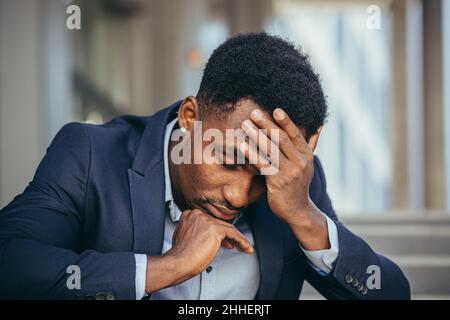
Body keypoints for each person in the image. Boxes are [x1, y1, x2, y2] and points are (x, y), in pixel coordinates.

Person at [0, 33, 410, 300]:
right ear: (191, 118)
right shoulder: (90, 155)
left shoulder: (293, 186)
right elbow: (10, 264)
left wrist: (305, 216)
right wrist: (167, 268)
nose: (237, 196)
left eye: (261, 177)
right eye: (229, 161)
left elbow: (391, 295)